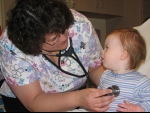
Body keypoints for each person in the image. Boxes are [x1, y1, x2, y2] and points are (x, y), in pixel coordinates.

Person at [0, 0, 114, 112]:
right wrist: (79, 98)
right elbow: (34, 100)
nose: (64, 38)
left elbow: (95, 68)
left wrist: (119, 85)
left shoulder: (80, 24)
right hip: (30, 103)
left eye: (64, 30)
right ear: (32, 43)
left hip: (78, 95)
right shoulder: (11, 45)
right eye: (54, 39)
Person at [98, 28, 150, 112]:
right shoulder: (105, 75)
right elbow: (99, 92)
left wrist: (138, 109)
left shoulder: (140, 82)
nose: (102, 51)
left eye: (107, 47)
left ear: (123, 55)